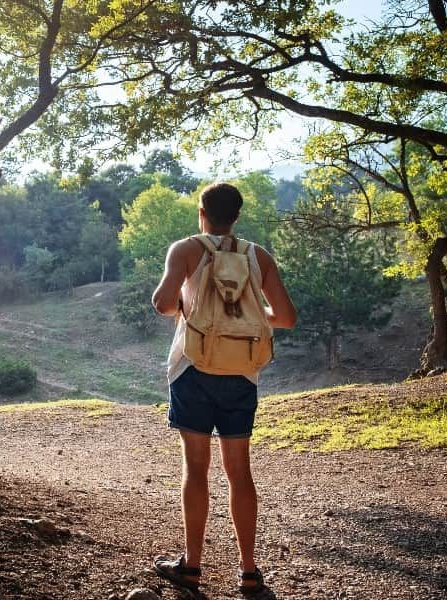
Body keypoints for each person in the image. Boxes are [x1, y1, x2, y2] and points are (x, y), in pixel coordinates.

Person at [149, 182, 297, 595]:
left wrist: (186, 297)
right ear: (236, 216)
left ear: (202, 213)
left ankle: (191, 567)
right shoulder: (257, 255)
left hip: (193, 369)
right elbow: (285, 317)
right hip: (242, 373)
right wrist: (249, 313)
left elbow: (162, 304)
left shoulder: (185, 249)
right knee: (239, 472)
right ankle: (249, 572)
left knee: (196, 469)